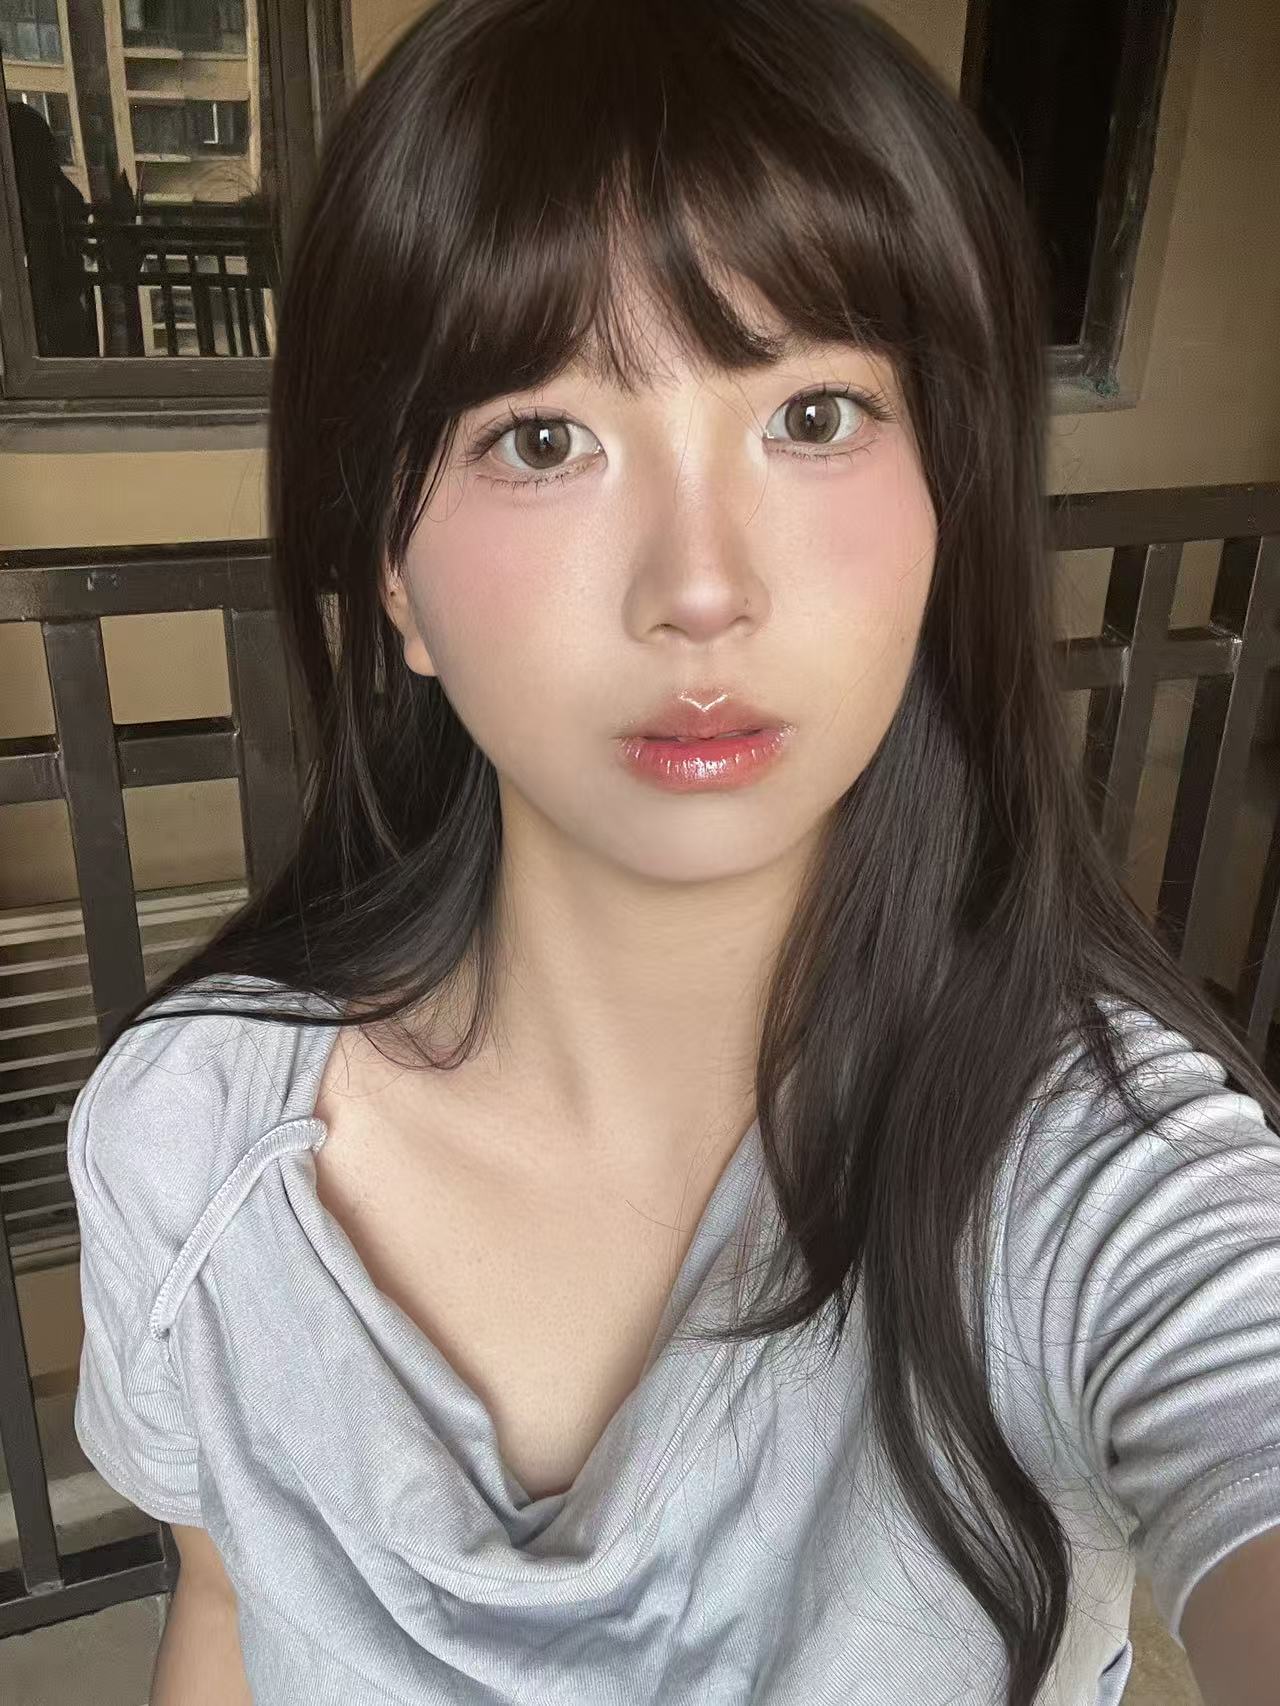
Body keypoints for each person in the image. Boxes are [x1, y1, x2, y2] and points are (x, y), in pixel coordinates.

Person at [66, 1, 1280, 1702]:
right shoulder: (188, 1139)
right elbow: (221, 1612)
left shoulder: (1099, 1182)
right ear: (393, 574)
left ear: (950, 497)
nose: (702, 587)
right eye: (542, 438)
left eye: (815, 415)